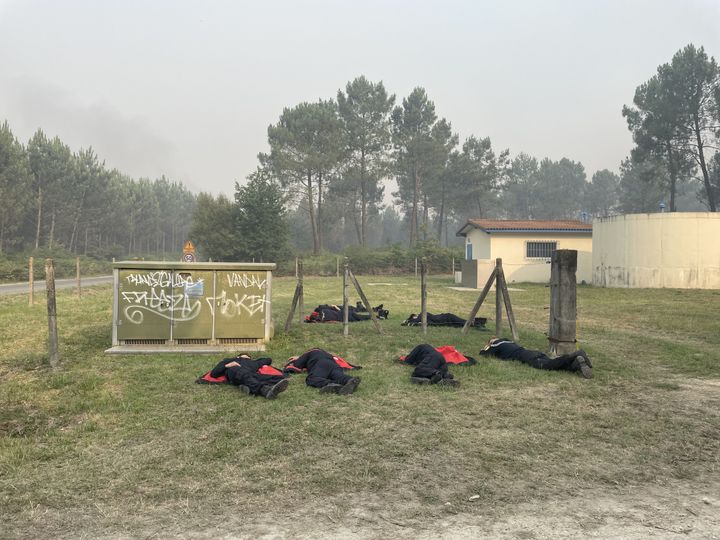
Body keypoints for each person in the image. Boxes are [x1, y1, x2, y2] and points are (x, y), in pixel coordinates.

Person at [479, 338, 593, 378]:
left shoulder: (496, 344)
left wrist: (487, 346)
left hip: (526, 356)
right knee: (555, 365)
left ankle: (575, 354)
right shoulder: (508, 341)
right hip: (532, 353)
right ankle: (576, 363)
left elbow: (484, 353)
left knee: (546, 365)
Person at [209, 354, 289, 399]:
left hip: (251, 374)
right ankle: (265, 390)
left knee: (278, 378)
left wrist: (258, 362)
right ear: (238, 356)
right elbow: (213, 373)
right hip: (234, 371)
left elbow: (268, 359)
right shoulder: (230, 360)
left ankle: (248, 388)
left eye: (249, 357)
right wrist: (228, 365)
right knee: (245, 374)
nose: (247, 357)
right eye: (246, 355)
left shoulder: (254, 363)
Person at [285, 348, 361, 394]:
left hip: (321, 364)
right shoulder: (327, 354)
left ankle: (332, 384)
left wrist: (296, 359)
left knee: (312, 379)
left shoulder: (310, 352)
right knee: (339, 376)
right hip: (334, 365)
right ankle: (349, 380)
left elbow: (296, 365)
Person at [401, 312, 486, 328]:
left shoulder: (423, 315)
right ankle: (474, 323)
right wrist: (409, 321)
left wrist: (408, 322)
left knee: (461, 322)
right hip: (446, 318)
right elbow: (417, 322)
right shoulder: (421, 317)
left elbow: (417, 321)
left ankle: (474, 323)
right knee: (460, 323)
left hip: (445, 317)